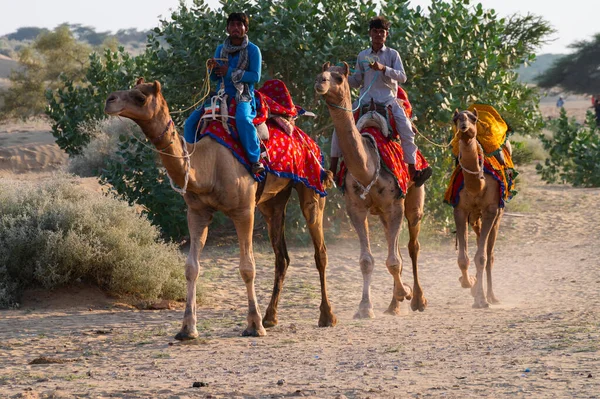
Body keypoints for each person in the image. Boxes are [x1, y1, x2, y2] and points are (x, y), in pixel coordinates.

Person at [329, 16, 431, 186]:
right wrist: (343, 78)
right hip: (365, 102)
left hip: (388, 101)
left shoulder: (392, 54)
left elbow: (402, 77)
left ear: (386, 35)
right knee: (339, 125)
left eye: (381, 32)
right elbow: (357, 81)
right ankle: (332, 168)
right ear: (370, 33)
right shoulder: (363, 55)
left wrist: (384, 69)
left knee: (406, 128)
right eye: (375, 31)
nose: (378, 35)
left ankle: (412, 167)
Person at [184, 12, 264, 175]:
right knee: (191, 122)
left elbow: (255, 77)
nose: (235, 28)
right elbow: (215, 77)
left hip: (244, 94)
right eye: (232, 25)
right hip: (221, 94)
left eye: (239, 25)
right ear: (227, 28)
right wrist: (211, 68)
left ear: (245, 28)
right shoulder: (221, 49)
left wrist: (230, 72)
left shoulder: (253, 50)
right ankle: (190, 156)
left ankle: (255, 160)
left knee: (242, 119)